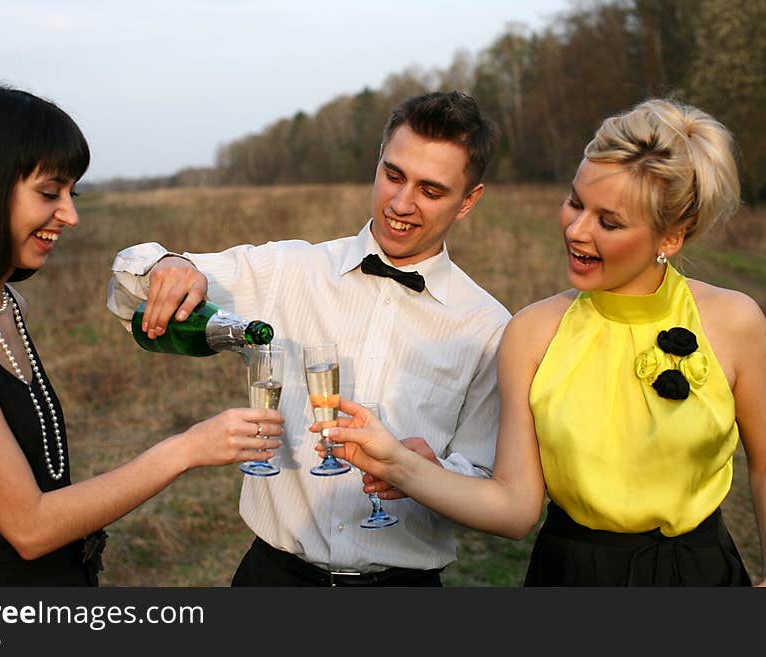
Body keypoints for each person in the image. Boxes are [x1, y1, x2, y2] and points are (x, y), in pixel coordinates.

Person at [315, 98, 766, 586]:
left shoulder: (733, 321)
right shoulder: (532, 332)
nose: (576, 230)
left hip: (701, 576)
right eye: (576, 202)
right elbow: (515, 510)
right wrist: (400, 465)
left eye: (608, 222)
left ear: (671, 238)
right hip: (571, 576)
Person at [107, 91, 510, 586]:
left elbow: (490, 484)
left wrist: (430, 475)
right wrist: (167, 263)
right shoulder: (288, 269)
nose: (401, 204)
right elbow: (131, 290)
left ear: (468, 200)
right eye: (393, 175)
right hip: (272, 579)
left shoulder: (489, 326)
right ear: (378, 163)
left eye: (431, 190)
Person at [0, 85, 283, 587]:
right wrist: (186, 449)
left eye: (73, 194)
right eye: (50, 193)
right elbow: (28, 526)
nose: (70, 215)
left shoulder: (5, 303)